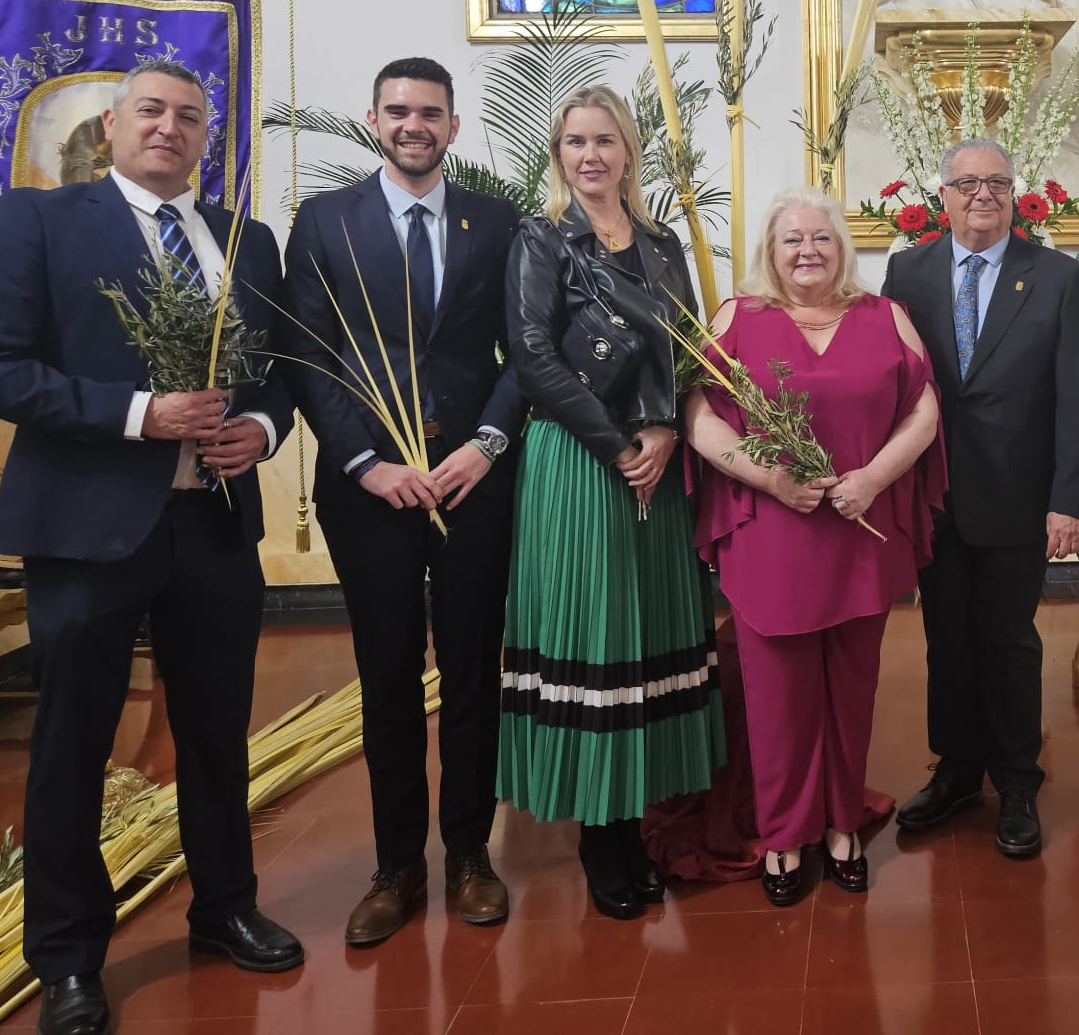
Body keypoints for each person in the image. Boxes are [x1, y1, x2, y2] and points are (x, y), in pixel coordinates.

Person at [0, 59, 301, 1035]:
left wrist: (261, 432)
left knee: (216, 734)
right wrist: (137, 413)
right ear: (110, 127)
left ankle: (225, 904)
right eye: (150, 111)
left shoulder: (244, 241)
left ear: (205, 138)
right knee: (72, 747)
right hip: (88, 528)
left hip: (214, 524)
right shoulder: (41, 223)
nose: (169, 128)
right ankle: (66, 958)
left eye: (189, 117)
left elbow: (274, 377)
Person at [280, 56, 526, 946]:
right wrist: (363, 463)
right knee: (386, 679)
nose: (413, 124)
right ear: (375, 120)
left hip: (473, 485)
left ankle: (469, 853)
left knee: (470, 672)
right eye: (398, 111)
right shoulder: (323, 222)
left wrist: (485, 445)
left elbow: (523, 350)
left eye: (430, 111)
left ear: (453, 126)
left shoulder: (499, 223)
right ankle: (395, 867)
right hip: (367, 495)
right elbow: (307, 356)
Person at [498, 85, 725, 920]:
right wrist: (619, 440)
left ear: (629, 150)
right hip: (582, 461)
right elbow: (530, 355)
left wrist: (663, 429)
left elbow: (688, 347)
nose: (589, 154)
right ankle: (600, 836)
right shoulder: (542, 239)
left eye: (603, 139)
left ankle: (634, 822)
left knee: (644, 631)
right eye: (573, 141)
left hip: (654, 466)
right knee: (595, 634)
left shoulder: (662, 242)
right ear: (558, 154)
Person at [685, 188, 945, 904]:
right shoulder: (739, 318)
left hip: (861, 530)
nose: (808, 250)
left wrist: (870, 479)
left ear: (843, 248)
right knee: (779, 696)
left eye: (822, 238)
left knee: (852, 689)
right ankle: (783, 834)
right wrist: (767, 478)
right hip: (773, 535)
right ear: (770, 250)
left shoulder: (886, 316)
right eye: (792, 238)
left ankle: (839, 826)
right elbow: (699, 415)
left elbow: (924, 411)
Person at [883, 137, 1079, 858]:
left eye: (998, 183)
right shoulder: (906, 273)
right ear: (941, 197)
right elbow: (890, 383)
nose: (984, 195)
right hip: (934, 491)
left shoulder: (1060, 279)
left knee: (1009, 641)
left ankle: (1016, 779)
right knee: (945, 637)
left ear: (1015, 195)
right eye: (968, 184)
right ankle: (954, 769)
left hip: (1019, 495)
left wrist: (1070, 501)